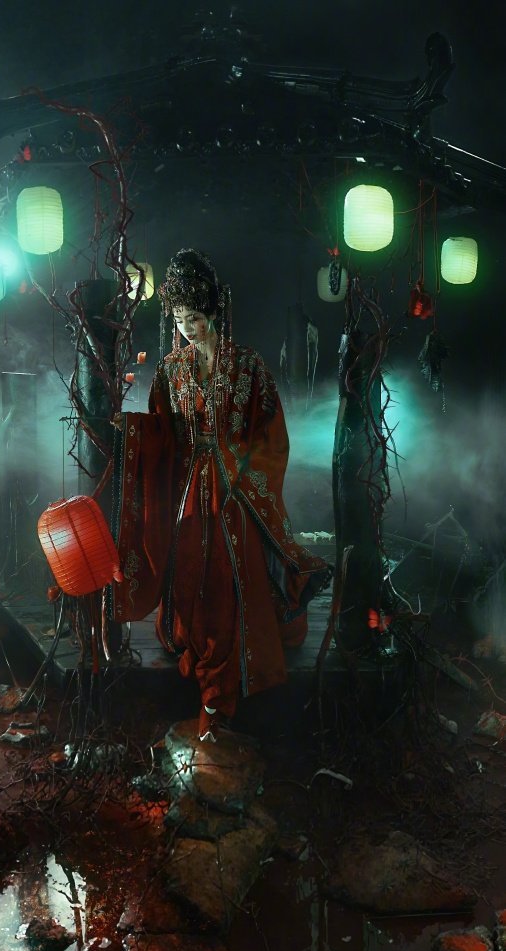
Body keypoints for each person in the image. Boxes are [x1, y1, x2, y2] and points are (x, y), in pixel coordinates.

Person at [109, 249, 331, 742]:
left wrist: (239, 470)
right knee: (189, 564)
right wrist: (132, 429)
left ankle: (233, 662)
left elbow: (271, 434)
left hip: (237, 486)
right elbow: (163, 431)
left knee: (234, 573)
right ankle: (195, 637)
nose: (187, 328)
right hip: (190, 485)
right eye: (179, 320)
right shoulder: (170, 370)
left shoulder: (247, 366)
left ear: (212, 312)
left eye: (194, 317)